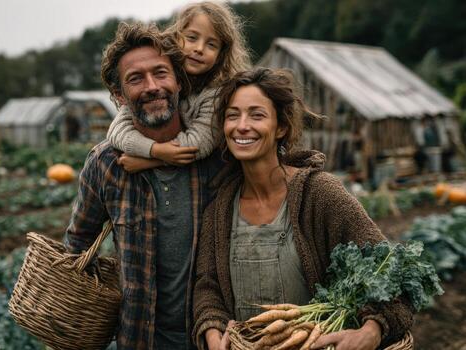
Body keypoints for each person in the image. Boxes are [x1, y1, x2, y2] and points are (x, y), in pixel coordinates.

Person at [192, 68, 414, 350]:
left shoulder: (320, 194)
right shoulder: (220, 210)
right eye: (232, 115)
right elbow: (207, 287)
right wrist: (213, 333)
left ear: (281, 127)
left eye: (256, 115)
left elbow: (390, 270)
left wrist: (372, 330)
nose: (242, 125)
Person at [65, 22, 219, 350]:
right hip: (140, 339)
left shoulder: (217, 156)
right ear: (118, 95)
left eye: (160, 73)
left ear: (179, 80)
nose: (152, 86)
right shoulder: (106, 164)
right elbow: (77, 246)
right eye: (136, 79)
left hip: (216, 338)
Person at [106, 1, 250, 172]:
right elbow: (116, 132)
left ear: (220, 55)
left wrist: (154, 161)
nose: (199, 49)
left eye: (211, 44)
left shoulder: (217, 93)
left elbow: (198, 144)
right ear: (176, 37)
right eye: (191, 38)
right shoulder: (159, 86)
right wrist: (154, 149)